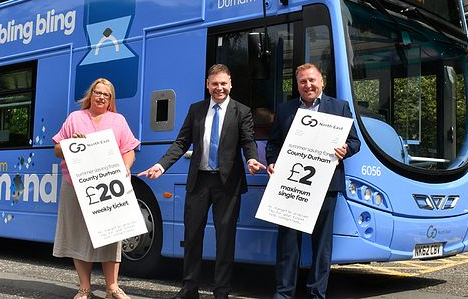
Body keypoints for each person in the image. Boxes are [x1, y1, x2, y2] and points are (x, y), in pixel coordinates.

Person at [139, 64, 261, 299]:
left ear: (231, 84)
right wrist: (161, 165)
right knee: (192, 235)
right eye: (215, 84)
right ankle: (189, 288)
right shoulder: (196, 110)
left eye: (223, 83)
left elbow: (248, 142)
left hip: (228, 184)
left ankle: (221, 291)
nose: (219, 88)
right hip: (199, 181)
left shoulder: (241, 111)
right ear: (207, 84)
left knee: (225, 239)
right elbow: (181, 143)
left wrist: (252, 160)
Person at [264, 63, 361, 299]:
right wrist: (273, 161)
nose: (308, 85)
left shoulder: (339, 108)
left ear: (322, 82)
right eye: (302, 81)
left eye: (312, 80)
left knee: (322, 246)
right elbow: (273, 144)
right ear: (296, 85)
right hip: (291, 185)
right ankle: (284, 293)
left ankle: (317, 294)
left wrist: (345, 150)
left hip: (326, 186)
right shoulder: (285, 109)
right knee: (288, 243)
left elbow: (355, 142)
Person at [52, 78, 140, 299]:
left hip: (108, 186)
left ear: (111, 100)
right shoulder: (75, 118)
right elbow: (57, 149)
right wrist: (71, 143)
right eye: (97, 92)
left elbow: (129, 149)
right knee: (78, 235)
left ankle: (112, 287)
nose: (101, 97)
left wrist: (127, 168)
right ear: (90, 95)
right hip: (75, 185)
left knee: (112, 235)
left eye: (106, 94)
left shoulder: (118, 121)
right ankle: (84, 287)